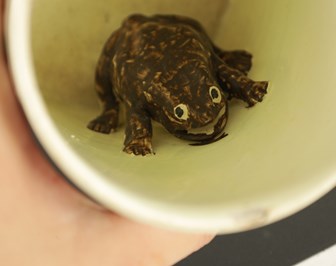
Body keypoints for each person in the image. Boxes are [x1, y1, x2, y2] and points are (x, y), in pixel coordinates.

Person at [0, 6, 213, 266]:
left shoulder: (194, 56)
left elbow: (214, 64)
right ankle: (109, 109)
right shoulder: (145, 89)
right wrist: (137, 139)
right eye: (179, 111)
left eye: (213, 92)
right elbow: (138, 111)